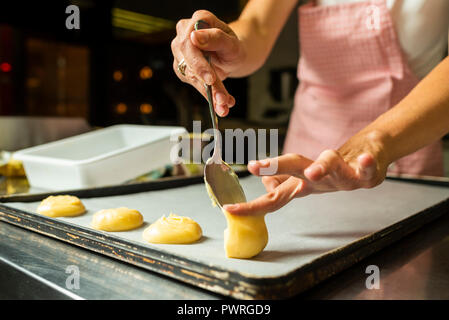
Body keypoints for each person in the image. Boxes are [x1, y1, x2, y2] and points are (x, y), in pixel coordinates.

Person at [171, 1, 449, 214]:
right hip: (302, 164)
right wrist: (229, 45)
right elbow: (256, 25)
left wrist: (377, 141)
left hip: (407, 149)